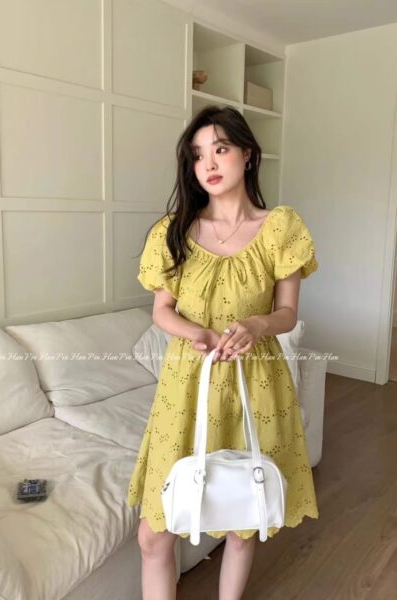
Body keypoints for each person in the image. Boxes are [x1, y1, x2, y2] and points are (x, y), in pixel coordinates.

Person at [126, 105, 319, 600]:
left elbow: (287, 312)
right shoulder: (173, 232)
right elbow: (161, 311)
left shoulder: (280, 228)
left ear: (247, 154)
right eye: (197, 155)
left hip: (254, 383)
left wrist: (257, 324)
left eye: (221, 148)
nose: (208, 164)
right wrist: (198, 334)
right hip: (187, 385)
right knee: (154, 534)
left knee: (242, 520)